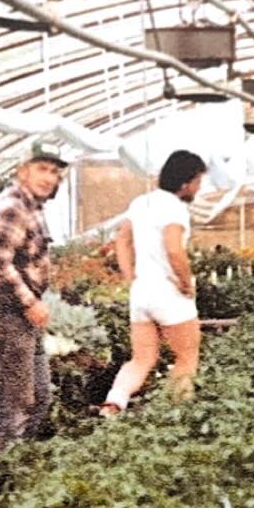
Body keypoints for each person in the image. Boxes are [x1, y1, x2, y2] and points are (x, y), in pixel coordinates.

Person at [0, 138, 68, 454]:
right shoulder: (13, 205)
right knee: (16, 405)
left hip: (23, 316)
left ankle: (17, 470)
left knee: (40, 397)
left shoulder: (32, 206)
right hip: (8, 313)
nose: (49, 177)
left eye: (54, 172)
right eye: (41, 168)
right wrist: (29, 301)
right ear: (22, 170)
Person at [100, 149, 207, 414]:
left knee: (141, 359)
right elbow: (174, 250)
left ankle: (113, 404)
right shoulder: (175, 208)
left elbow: (121, 240)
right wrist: (186, 283)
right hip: (169, 293)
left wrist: (130, 277)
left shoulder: (141, 203)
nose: (198, 187)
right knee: (187, 357)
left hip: (142, 293)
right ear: (186, 183)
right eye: (198, 182)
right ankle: (175, 416)